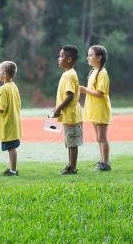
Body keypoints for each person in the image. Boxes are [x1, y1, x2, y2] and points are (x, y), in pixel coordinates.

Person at [51, 45, 83, 175]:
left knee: (72, 143)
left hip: (71, 115)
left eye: (61, 56)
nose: (59, 59)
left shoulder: (69, 75)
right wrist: (57, 107)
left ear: (69, 59)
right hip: (68, 114)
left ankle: (73, 168)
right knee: (69, 142)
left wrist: (59, 108)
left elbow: (70, 96)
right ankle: (70, 165)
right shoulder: (67, 74)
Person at [80, 45, 112, 171]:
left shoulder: (102, 73)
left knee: (102, 137)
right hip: (94, 109)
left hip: (101, 109)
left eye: (91, 55)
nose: (88, 57)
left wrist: (84, 90)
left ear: (99, 58)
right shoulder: (93, 72)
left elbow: (100, 93)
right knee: (99, 138)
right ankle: (102, 161)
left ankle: (106, 163)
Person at [0, 61, 22, 176]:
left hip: (8, 123)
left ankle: (13, 171)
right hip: (14, 121)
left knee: (11, 148)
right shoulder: (14, 86)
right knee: (12, 147)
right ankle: (13, 169)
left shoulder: (3, 88)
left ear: (5, 74)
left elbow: (1, 107)